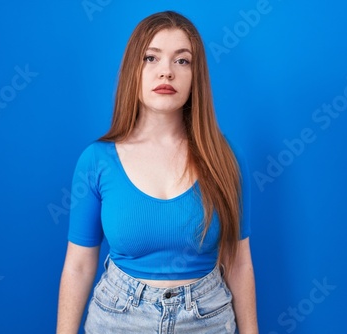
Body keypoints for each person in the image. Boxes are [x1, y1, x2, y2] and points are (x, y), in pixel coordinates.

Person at [57, 11, 258, 334]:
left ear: (196, 76)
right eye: (151, 58)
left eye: (182, 61)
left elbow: (238, 261)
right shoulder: (96, 161)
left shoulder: (227, 158)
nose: (166, 72)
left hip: (208, 320)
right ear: (132, 70)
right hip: (117, 319)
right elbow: (79, 265)